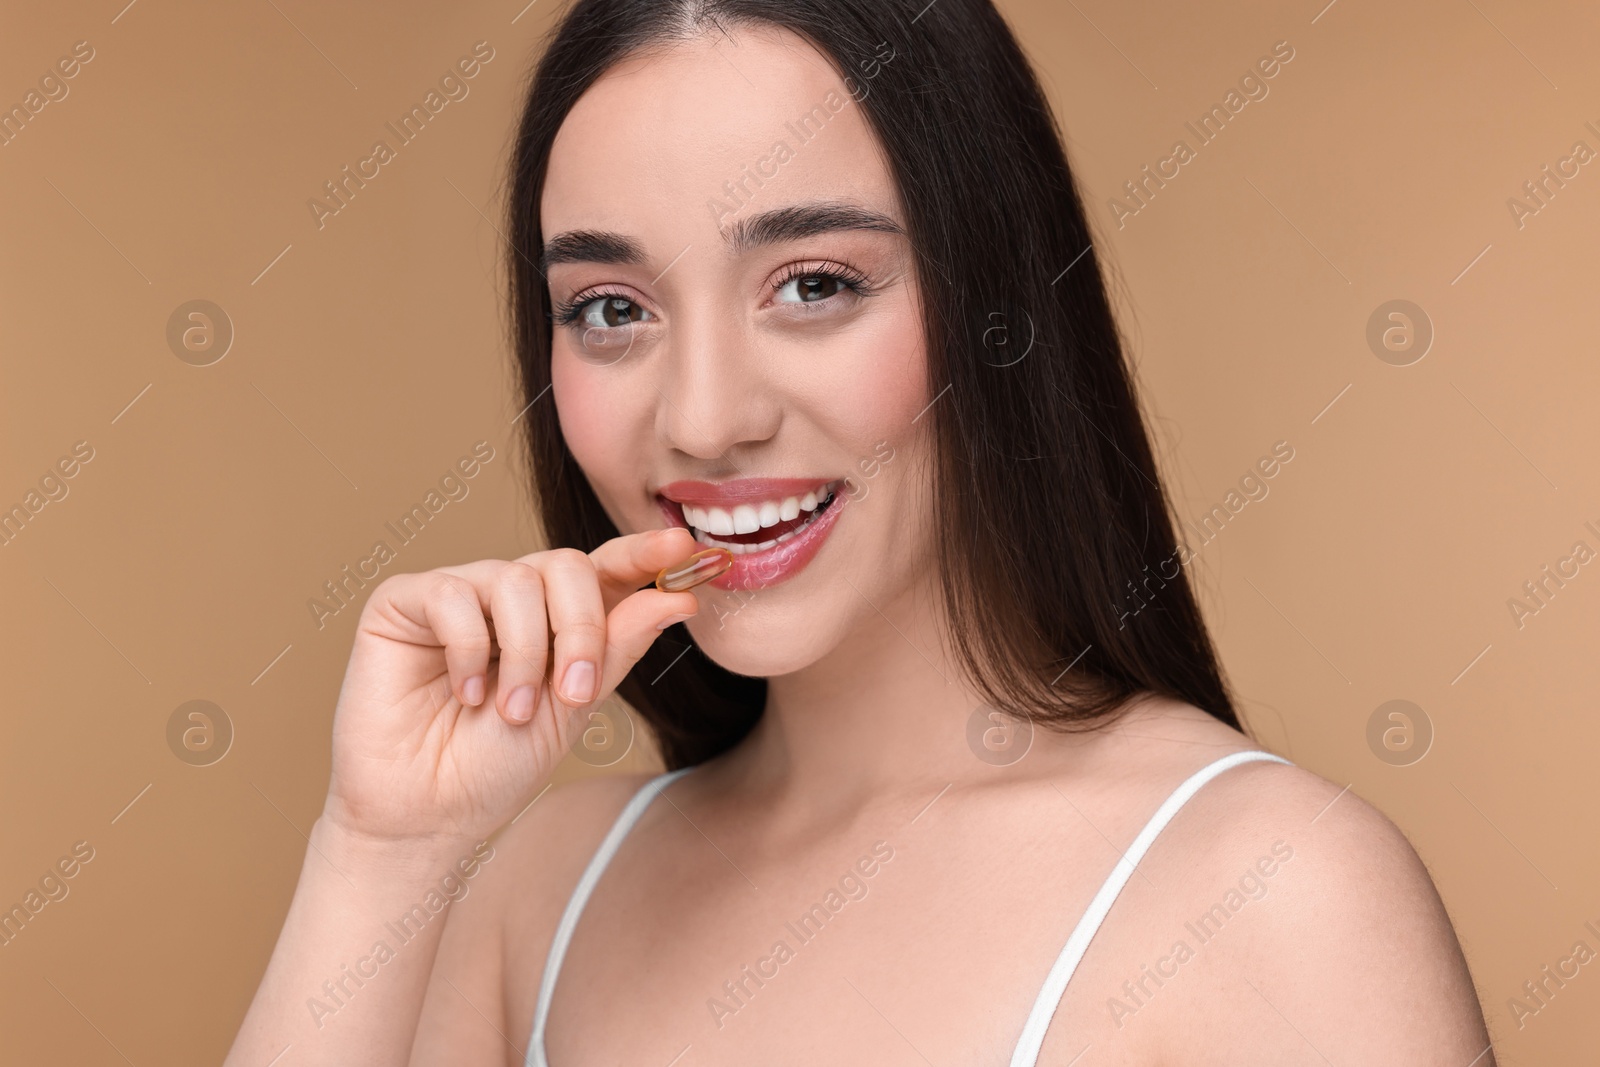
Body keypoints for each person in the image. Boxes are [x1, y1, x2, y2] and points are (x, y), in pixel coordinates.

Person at [226, 2, 1497, 1063]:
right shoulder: (543, 892)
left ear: (993, 302)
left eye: (814, 284)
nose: (706, 418)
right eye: (610, 308)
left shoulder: (1272, 892)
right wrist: (379, 853)